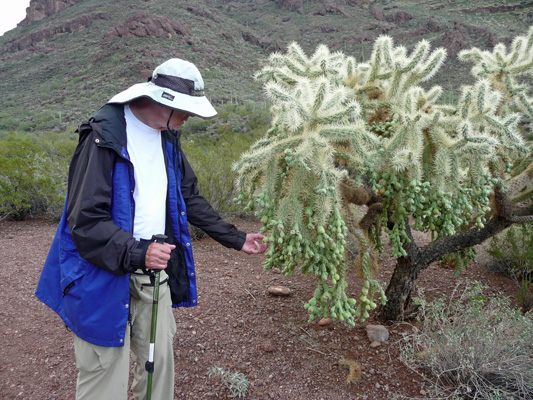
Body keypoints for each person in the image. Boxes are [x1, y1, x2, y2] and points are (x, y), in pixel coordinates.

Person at [35, 58, 267, 400]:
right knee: (104, 378)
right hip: (101, 275)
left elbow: (188, 197)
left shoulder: (168, 140)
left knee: (158, 368)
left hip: (152, 273)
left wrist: (235, 237)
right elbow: (85, 221)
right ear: (163, 102)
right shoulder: (102, 137)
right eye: (186, 110)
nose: (189, 118)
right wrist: (138, 251)